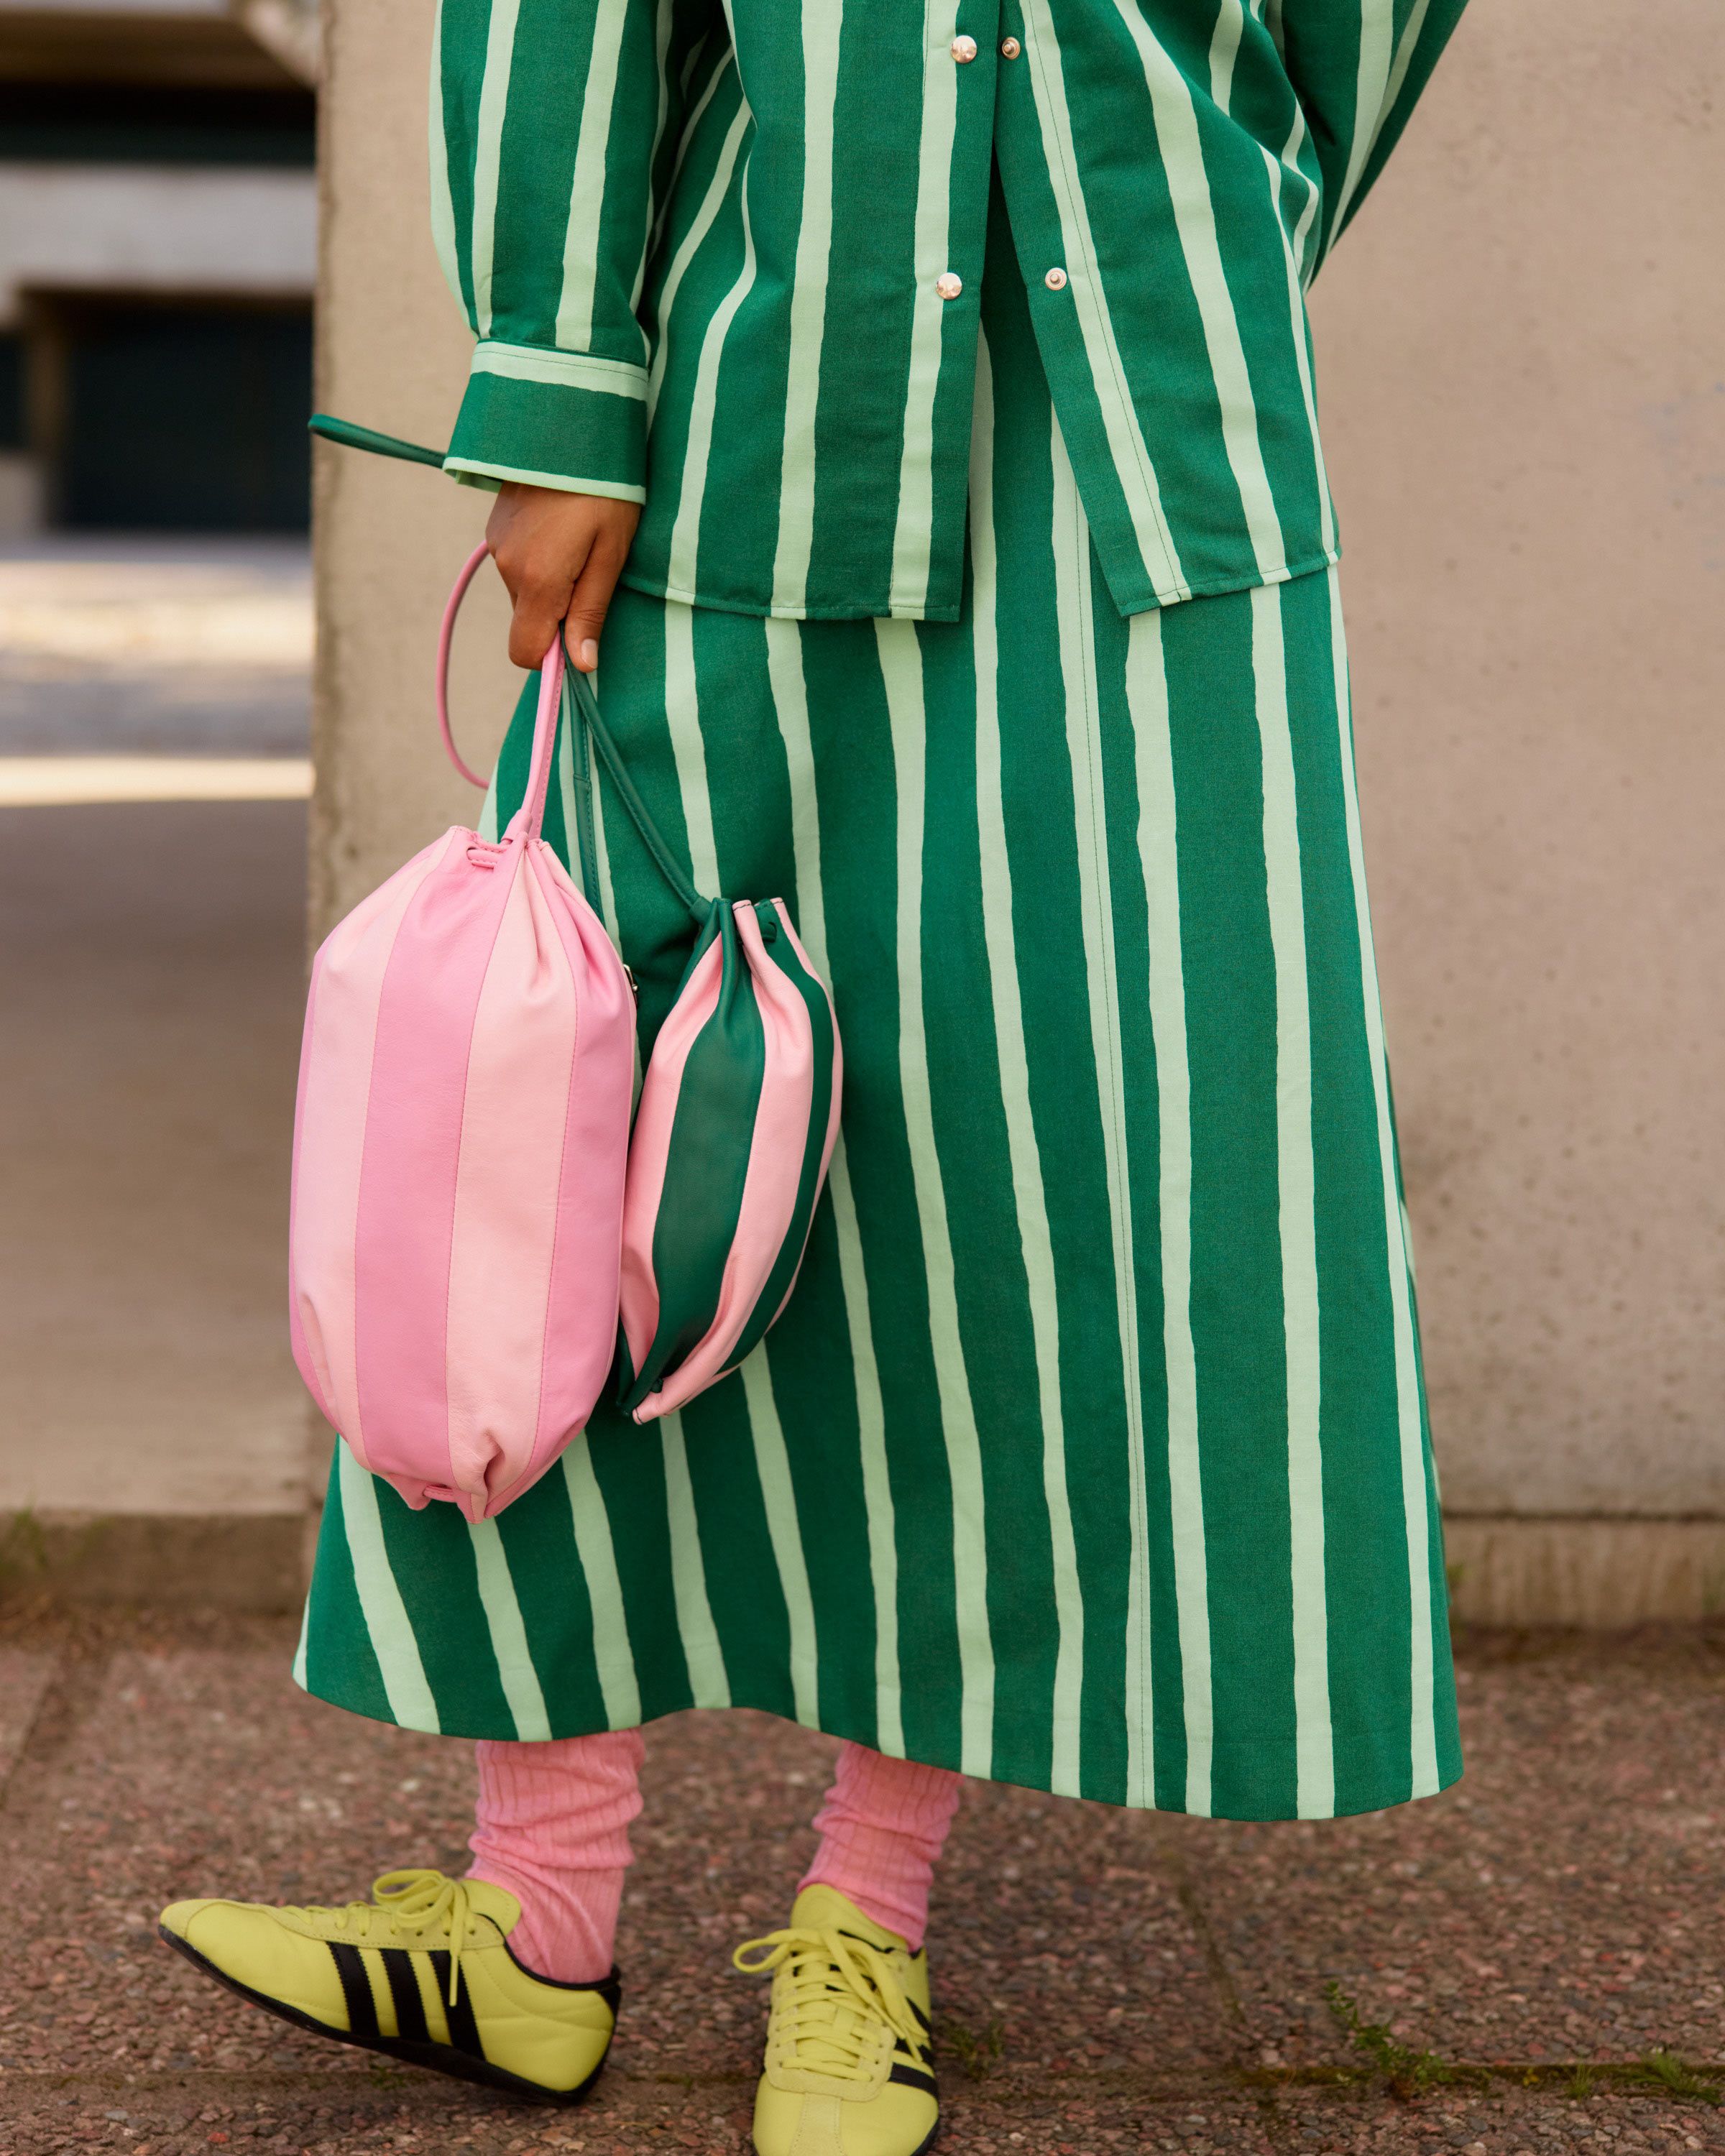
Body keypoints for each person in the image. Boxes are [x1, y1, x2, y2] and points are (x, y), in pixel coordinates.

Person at [158, 2, 1471, 2150]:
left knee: (1016, 1160)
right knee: (567, 1138)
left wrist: (1235, 180)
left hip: (1145, 424)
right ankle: (532, 1917)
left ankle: (868, 1923)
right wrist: (560, 392)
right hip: (744, 403)